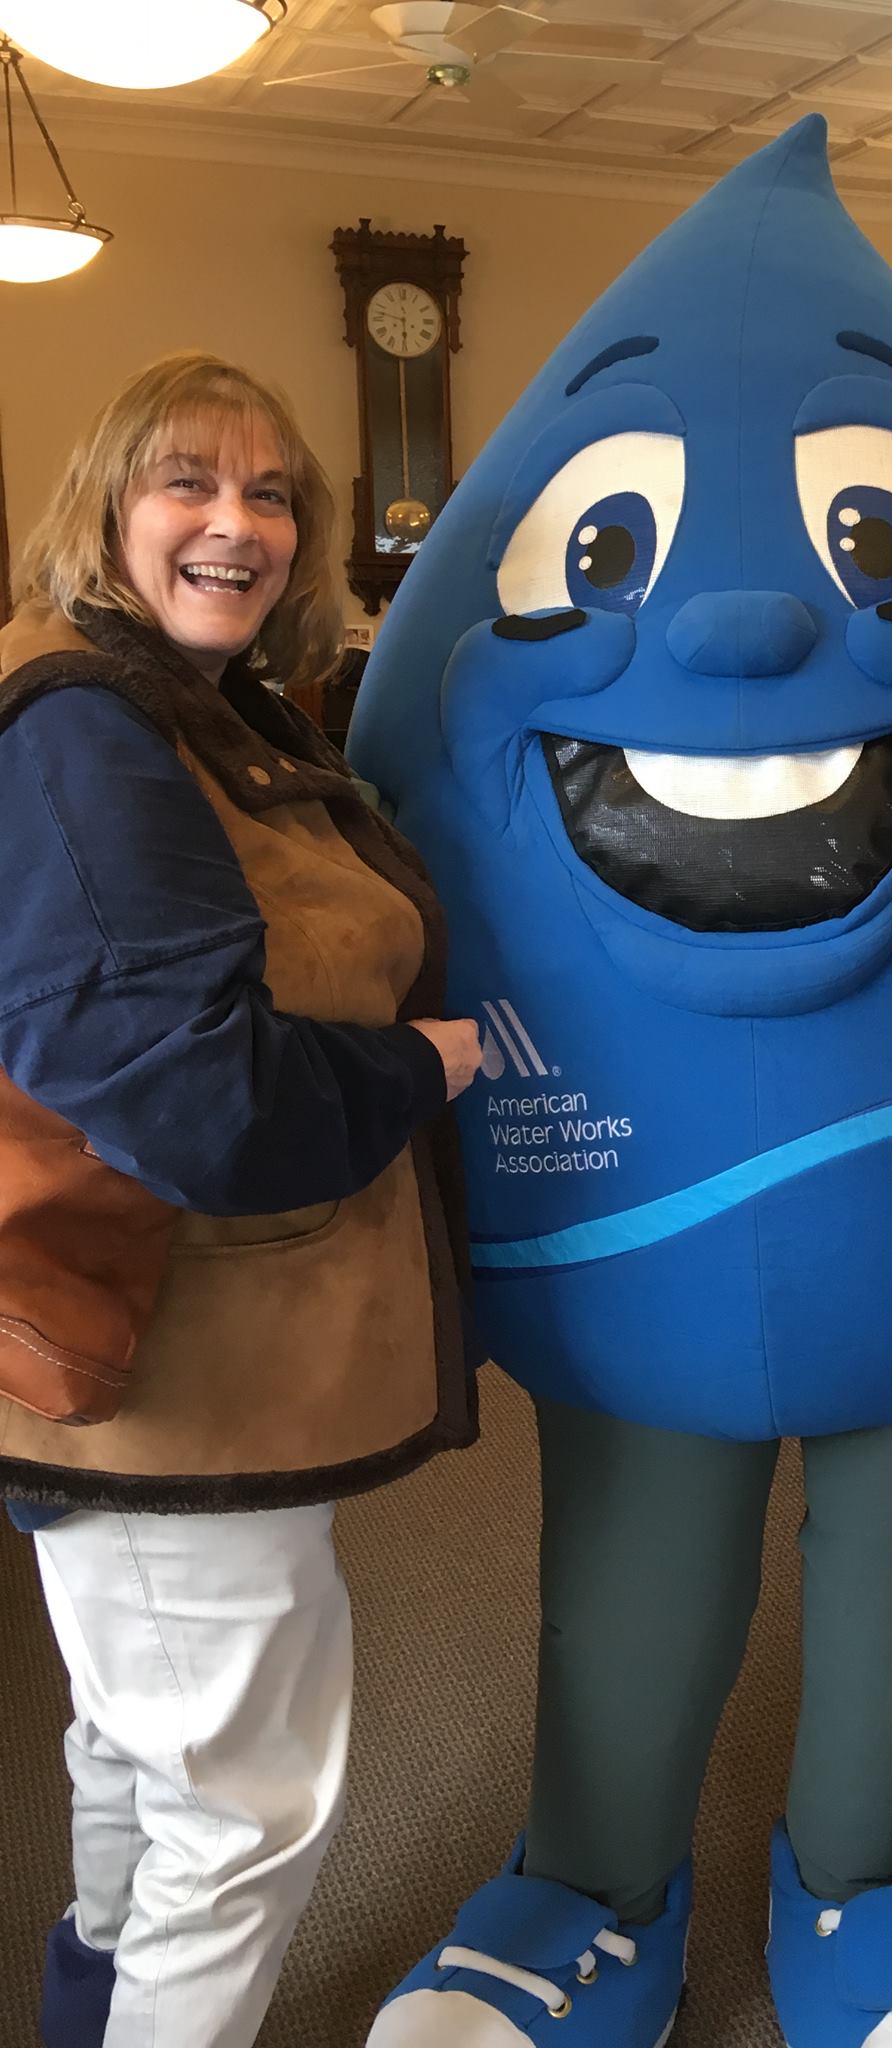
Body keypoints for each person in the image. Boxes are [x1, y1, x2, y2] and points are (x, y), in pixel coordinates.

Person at [0, 351, 483, 2048]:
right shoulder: (84, 729)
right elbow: (188, 1096)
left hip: (195, 1359)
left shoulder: (201, 711)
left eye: (274, 492)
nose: (238, 521)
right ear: (106, 509)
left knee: (139, 1739)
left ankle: (87, 2009)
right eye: (188, 483)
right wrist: (419, 1069)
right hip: (165, 1379)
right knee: (246, 1805)